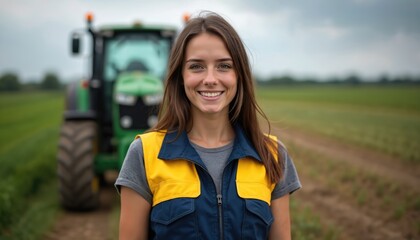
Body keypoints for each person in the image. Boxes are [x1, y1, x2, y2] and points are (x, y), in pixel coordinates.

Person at [115, 11, 301, 240]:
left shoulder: (273, 155)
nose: (210, 79)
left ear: (239, 75)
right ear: (180, 76)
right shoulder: (144, 154)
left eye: (223, 66)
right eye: (196, 66)